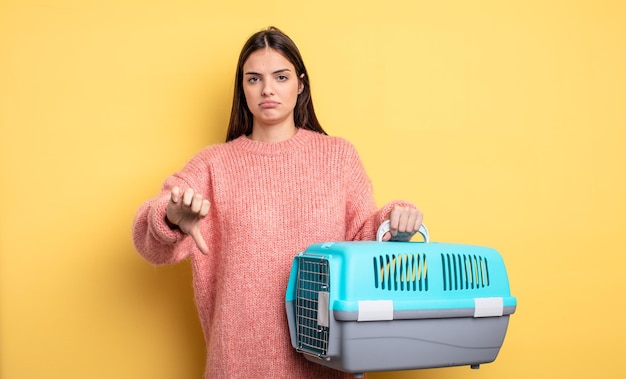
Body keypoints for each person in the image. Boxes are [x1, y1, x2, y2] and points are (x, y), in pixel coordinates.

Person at [132, 26, 423, 379]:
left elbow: (364, 236)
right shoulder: (213, 164)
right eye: (254, 79)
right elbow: (151, 242)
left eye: (280, 77)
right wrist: (171, 216)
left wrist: (396, 221)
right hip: (237, 363)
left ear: (300, 84)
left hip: (325, 361)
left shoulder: (338, 156)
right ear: (242, 88)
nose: (267, 89)